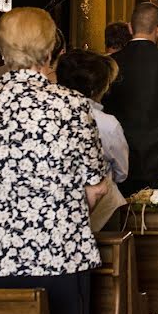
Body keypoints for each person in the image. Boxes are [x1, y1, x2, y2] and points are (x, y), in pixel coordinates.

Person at [0, 7, 107, 314]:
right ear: (50, 49)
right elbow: (96, 183)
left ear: (3, 48)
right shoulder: (72, 106)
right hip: (58, 252)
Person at [102, 2, 158, 196]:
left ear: (130, 27)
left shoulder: (111, 63)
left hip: (125, 160)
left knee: (125, 221)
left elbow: (104, 106)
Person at [56, 50, 129, 232]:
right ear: (98, 88)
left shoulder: (49, 116)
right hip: (101, 210)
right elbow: (122, 172)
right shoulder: (107, 124)